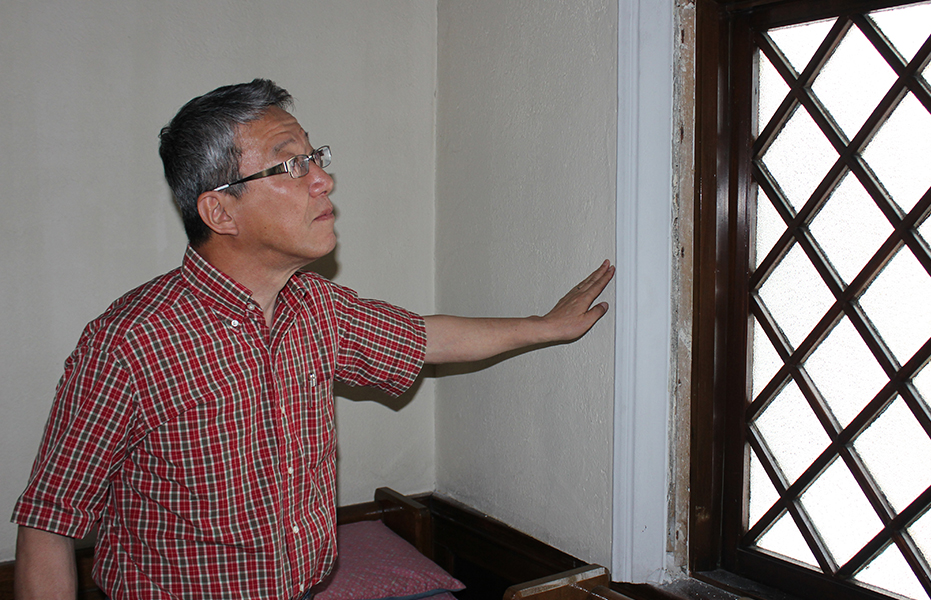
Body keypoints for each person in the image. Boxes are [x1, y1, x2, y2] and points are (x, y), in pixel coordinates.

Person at [11, 79, 614, 600]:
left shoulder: (314, 307)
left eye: (314, 156)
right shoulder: (131, 340)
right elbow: (47, 522)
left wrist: (546, 326)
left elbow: (424, 337)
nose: (322, 179)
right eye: (291, 163)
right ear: (221, 212)